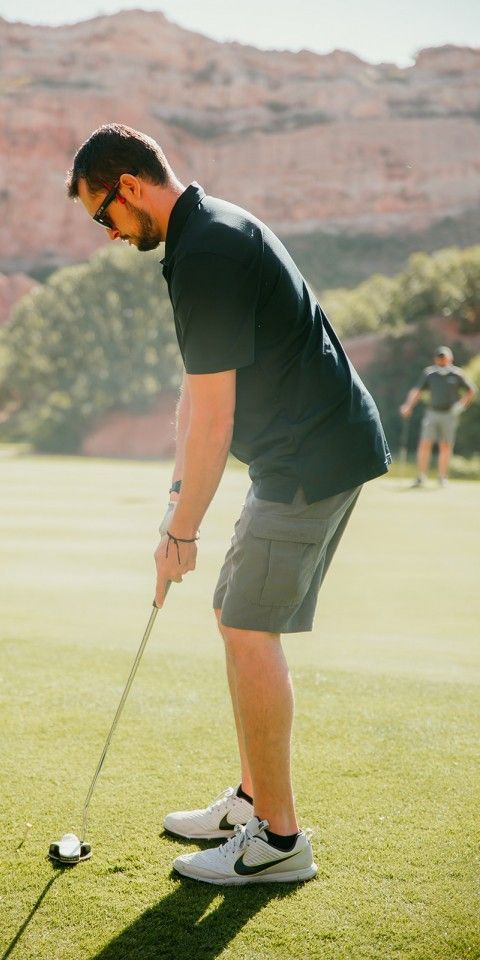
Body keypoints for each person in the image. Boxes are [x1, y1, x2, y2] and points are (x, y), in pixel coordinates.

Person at [66, 123, 391, 886]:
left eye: (103, 216)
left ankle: (279, 842)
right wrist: (175, 509)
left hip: (313, 455)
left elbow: (216, 418)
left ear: (131, 186)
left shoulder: (206, 251)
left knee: (248, 626)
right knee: (234, 614)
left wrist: (182, 533)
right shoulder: (199, 235)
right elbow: (194, 394)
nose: (108, 234)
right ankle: (252, 799)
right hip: (308, 448)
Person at [400, 346, 476, 488]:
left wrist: (461, 406)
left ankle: (442, 478)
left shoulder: (457, 374)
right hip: (432, 413)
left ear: (450, 358)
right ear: (435, 359)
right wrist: (408, 406)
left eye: (444, 357)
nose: (442, 359)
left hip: (449, 414)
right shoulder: (430, 373)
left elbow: (471, 391)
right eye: (439, 357)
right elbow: (417, 391)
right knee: (425, 444)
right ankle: (421, 477)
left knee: (445, 446)